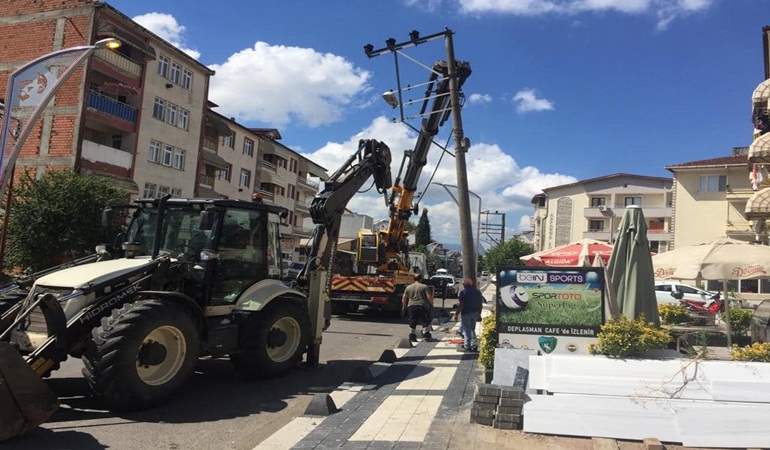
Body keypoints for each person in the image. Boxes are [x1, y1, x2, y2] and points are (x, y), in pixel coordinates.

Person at [401, 273, 434, 342]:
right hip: (422, 306)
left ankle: (412, 336)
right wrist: (431, 304)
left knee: (412, 321)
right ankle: (427, 335)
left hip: (411, 306)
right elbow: (429, 297)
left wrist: (404, 306)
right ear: (421, 279)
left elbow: (404, 297)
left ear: (414, 279)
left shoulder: (408, 287)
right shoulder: (424, 287)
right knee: (424, 320)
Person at [454, 278, 484, 352]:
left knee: (467, 329)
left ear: (464, 285)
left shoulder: (463, 293)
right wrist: (479, 314)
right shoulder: (477, 292)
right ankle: (473, 344)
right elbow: (480, 304)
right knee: (472, 329)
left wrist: (456, 314)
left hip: (466, 313)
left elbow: (461, 305)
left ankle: (467, 346)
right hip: (475, 312)